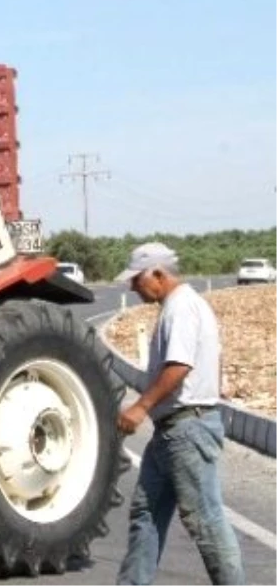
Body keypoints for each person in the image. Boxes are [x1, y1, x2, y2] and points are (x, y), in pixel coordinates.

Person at [113, 242, 244, 585]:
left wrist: (141, 406)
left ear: (158, 274)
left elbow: (179, 365)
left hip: (186, 428)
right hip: (171, 430)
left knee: (206, 521)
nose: (132, 287)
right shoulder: (181, 305)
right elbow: (208, 358)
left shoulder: (181, 307)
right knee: (146, 513)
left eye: (136, 279)